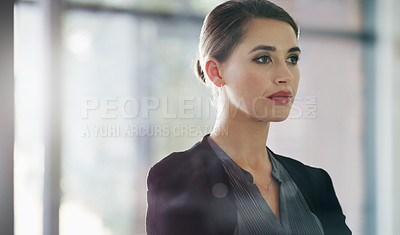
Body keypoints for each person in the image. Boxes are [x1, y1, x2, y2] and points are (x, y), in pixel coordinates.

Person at [146, 0, 352, 234]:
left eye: (292, 59)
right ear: (216, 71)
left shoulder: (315, 182)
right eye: (264, 58)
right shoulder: (178, 177)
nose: (286, 76)